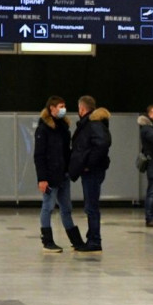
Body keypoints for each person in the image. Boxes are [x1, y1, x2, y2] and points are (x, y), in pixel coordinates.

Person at [33, 96, 85, 252]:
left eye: (64, 106)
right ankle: (47, 241)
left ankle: (76, 241)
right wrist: (42, 178)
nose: (64, 109)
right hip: (50, 176)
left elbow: (65, 152)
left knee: (66, 208)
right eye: (61, 106)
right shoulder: (43, 129)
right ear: (52, 108)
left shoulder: (63, 127)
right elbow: (39, 155)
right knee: (47, 207)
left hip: (64, 174)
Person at [69, 96, 111, 253]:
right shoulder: (91, 123)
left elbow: (102, 144)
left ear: (82, 108)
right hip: (92, 170)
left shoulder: (93, 124)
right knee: (90, 205)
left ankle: (94, 241)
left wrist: (88, 164)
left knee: (91, 206)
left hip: (93, 171)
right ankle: (92, 237)